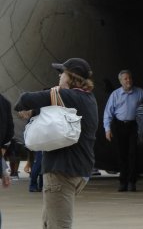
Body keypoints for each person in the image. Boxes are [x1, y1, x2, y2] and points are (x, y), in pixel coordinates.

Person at [14, 58, 98, 228]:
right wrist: (34, 111)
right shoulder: (87, 99)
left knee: (59, 225)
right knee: (49, 223)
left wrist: (23, 108)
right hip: (79, 169)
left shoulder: (67, 95)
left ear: (72, 77)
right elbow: (57, 113)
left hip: (61, 171)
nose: (59, 76)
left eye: (62, 73)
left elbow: (26, 99)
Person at [103, 69, 143, 192]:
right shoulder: (115, 94)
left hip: (134, 125)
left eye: (130, 78)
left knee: (133, 154)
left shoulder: (140, 92)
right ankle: (123, 182)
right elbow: (108, 113)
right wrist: (107, 129)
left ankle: (132, 182)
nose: (128, 81)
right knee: (122, 154)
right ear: (121, 81)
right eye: (125, 79)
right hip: (119, 126)